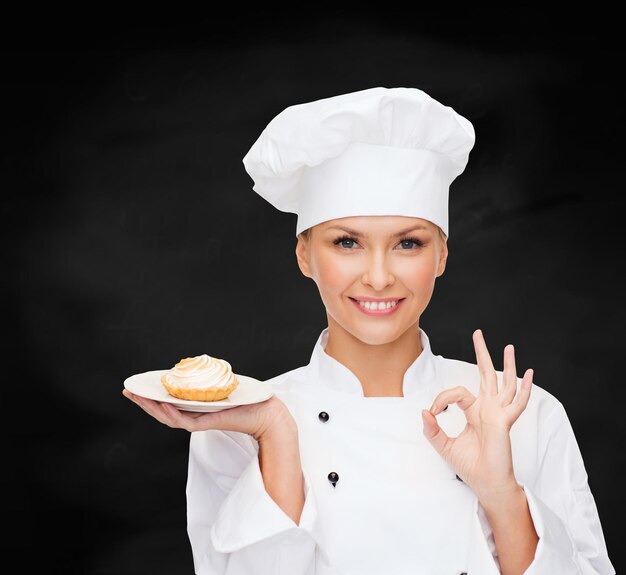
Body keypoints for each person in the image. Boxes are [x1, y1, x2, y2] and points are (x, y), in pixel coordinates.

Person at [123, 87, 615, 575]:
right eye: (347, 242)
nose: (379, 277)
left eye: (408, 243)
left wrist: (501, 493)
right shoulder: (238, 427)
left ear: (441, 255)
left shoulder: (525, 416)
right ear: (304, 255)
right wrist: (277, 433)